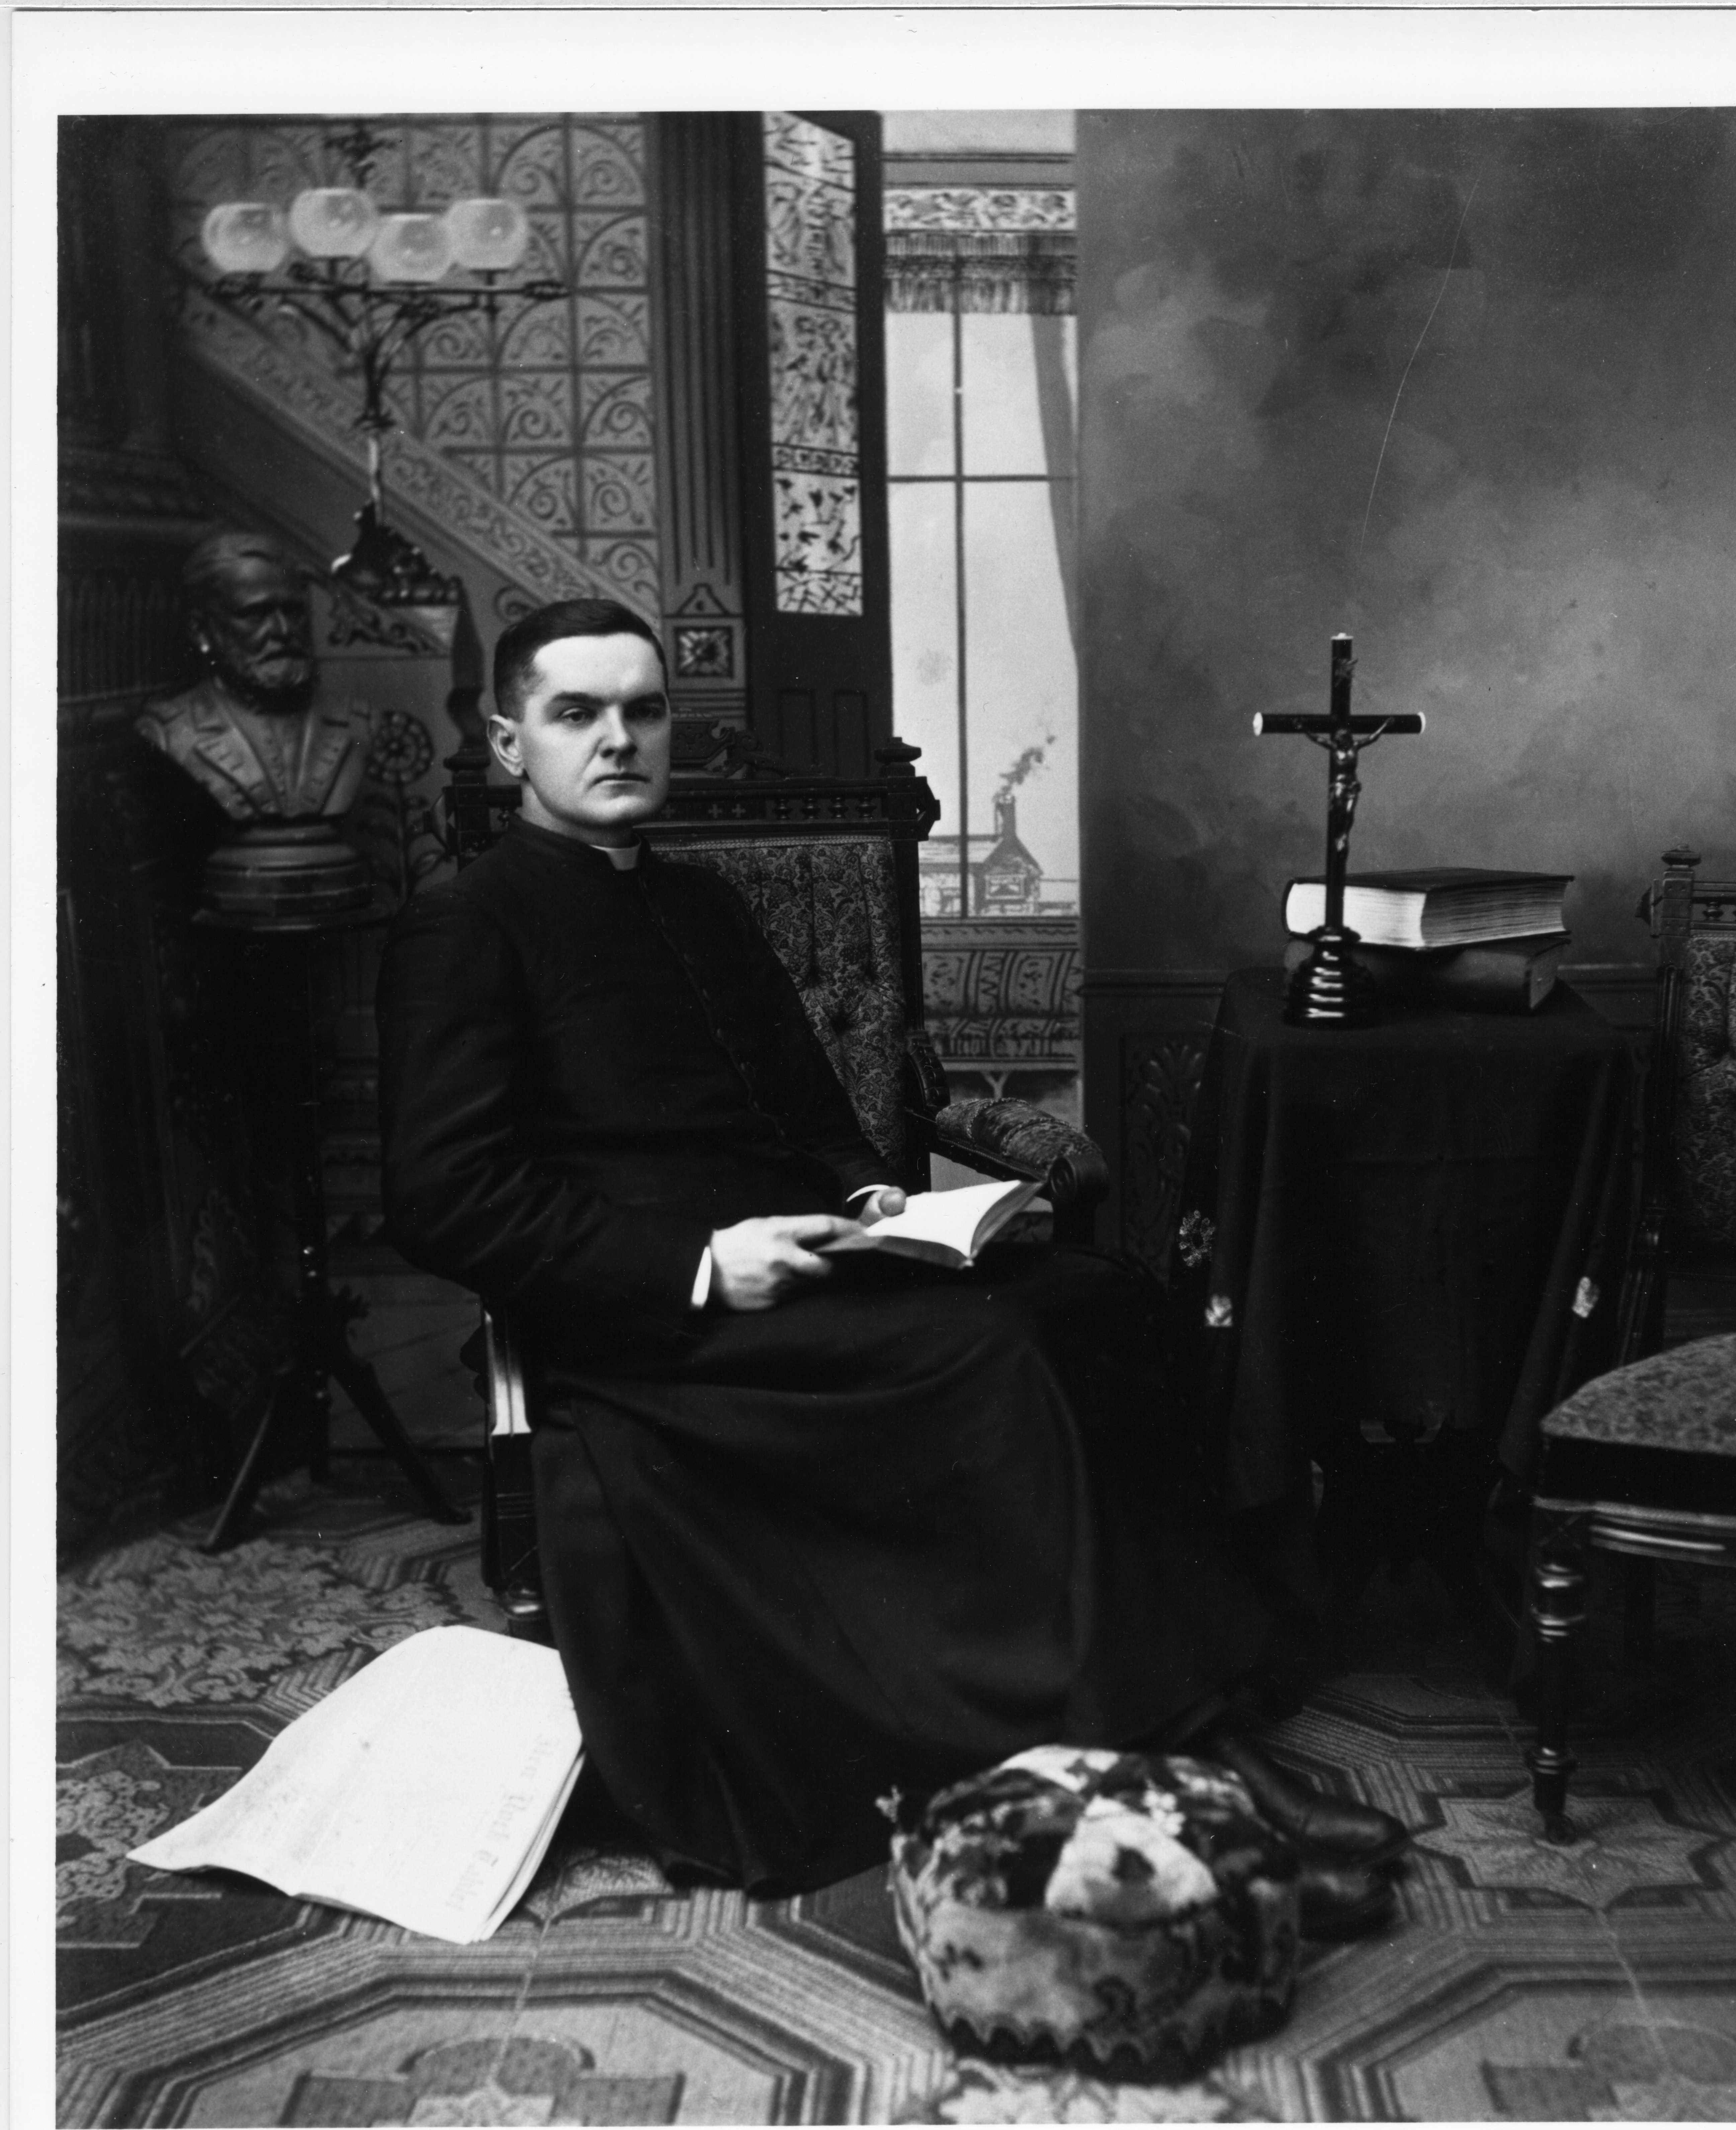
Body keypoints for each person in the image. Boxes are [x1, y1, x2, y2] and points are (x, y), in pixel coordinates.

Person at [376, 598, 1404, 1898]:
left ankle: (1185, 1719)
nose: (619, 739)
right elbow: (445, 1195)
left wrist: (874, 1200)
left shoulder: (699, 903)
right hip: (653, 1328)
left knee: (1102, 1302)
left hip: (803, 1266)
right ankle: (1171, 1774)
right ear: (509, 737)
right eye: (577, 713)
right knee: (1003, 1359)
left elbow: (812, 1120)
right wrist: (698, 1264)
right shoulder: (465, 924)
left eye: (643, 710)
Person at [137, 531, 372, 822]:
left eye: (293, 611)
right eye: (255, 615)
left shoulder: (357, 722)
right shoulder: (169, 733)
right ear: (200, 630)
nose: (283, 630)